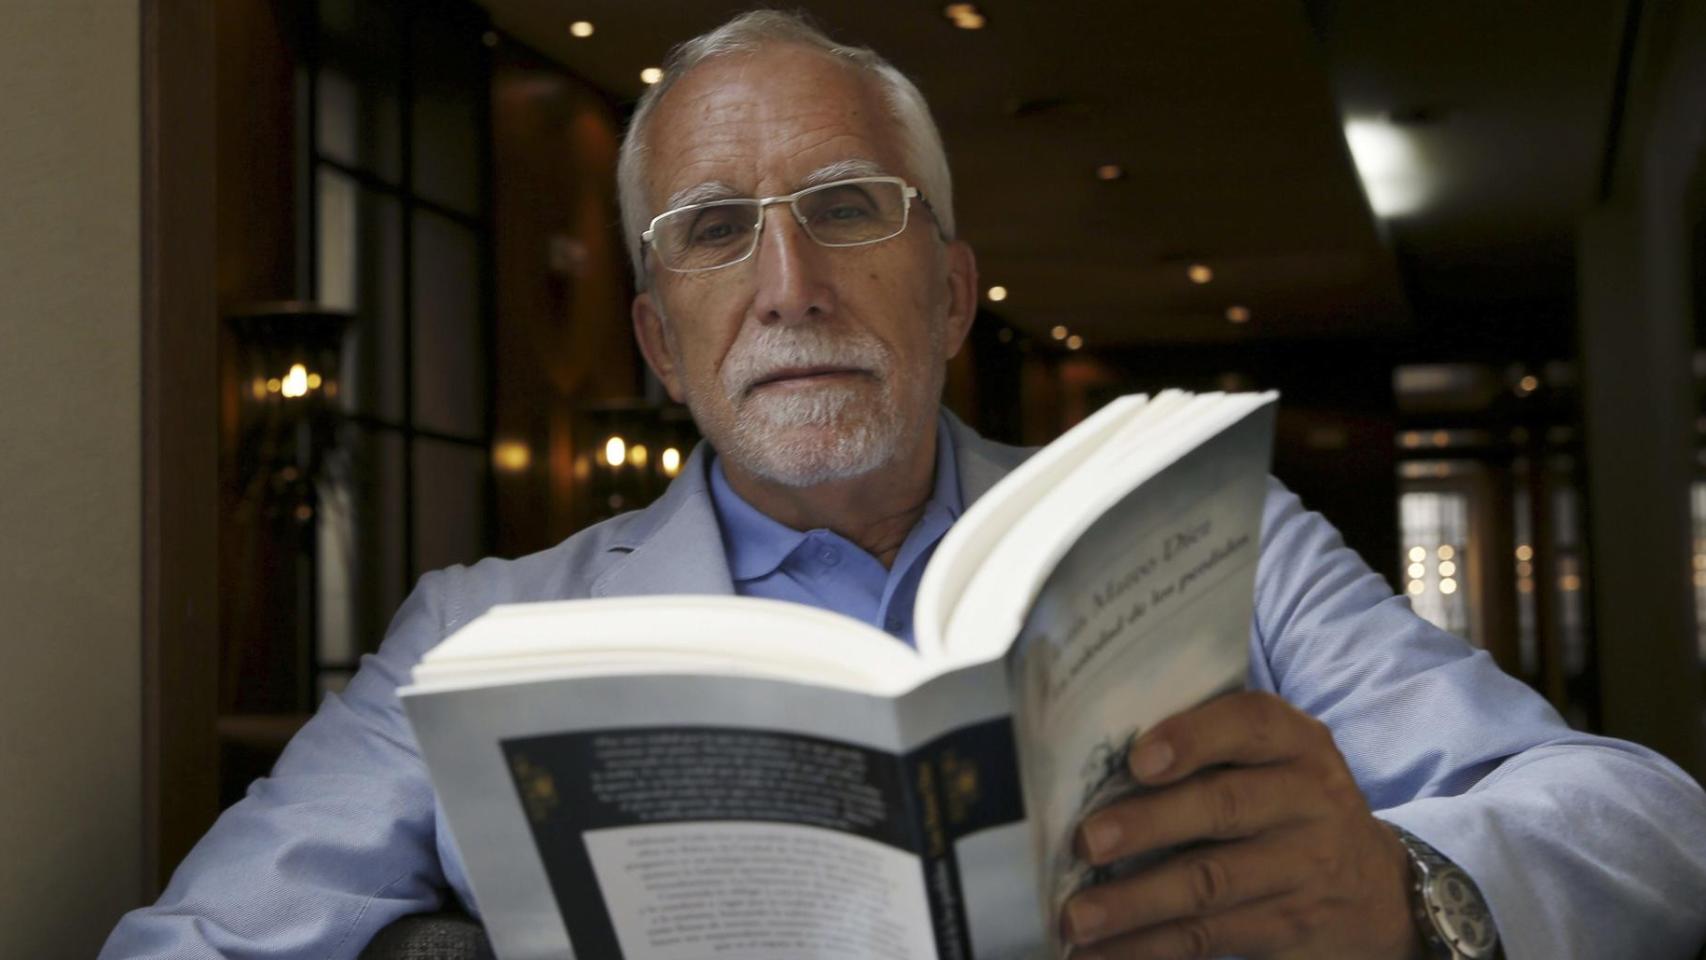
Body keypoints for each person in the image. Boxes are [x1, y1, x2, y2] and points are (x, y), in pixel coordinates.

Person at [103, 10, 1706, 959]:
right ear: (662, 345)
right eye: (713, 232)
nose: (788, 287)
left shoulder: (1228, 546)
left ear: (947, 295)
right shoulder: (475, 633)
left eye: (847, 207)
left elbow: (1650, 832)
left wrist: (1405, 893)